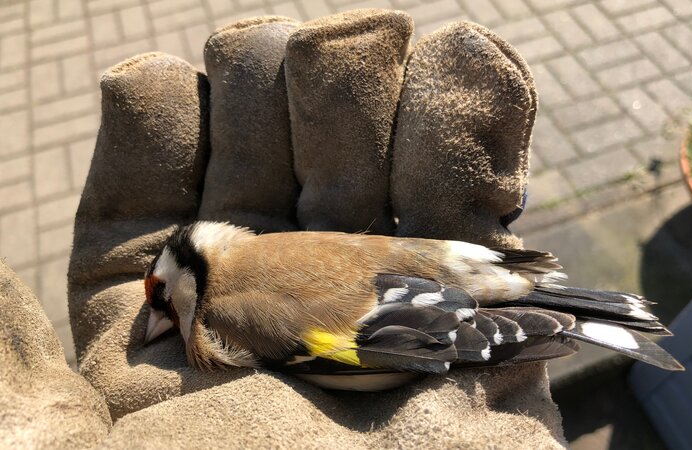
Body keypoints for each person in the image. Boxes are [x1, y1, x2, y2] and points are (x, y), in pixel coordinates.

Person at [0, 10, 567, 448]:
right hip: (433, 285)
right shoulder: (251, 262)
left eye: (158, 299)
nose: (156, 319)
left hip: (426, 314)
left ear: (186, 268)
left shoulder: (225, 318)